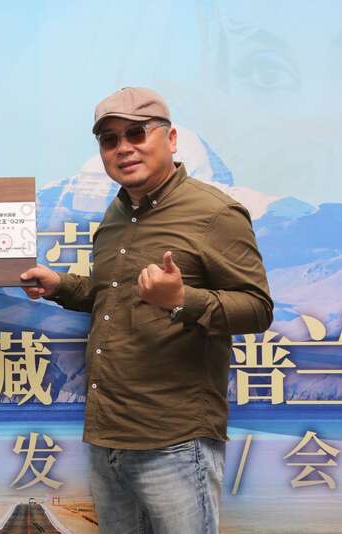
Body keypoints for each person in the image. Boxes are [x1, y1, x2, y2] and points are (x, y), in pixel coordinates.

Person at [20, 87, 273, 533]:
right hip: (108, 436)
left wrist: (181, 300)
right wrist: (62, 286)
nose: (123, 148)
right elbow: (113, 296)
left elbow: (257, 308)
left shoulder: (215, 213)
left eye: (136, 134)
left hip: (175, 441)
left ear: (170, 139)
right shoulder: (115, 217)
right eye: (109, 139)